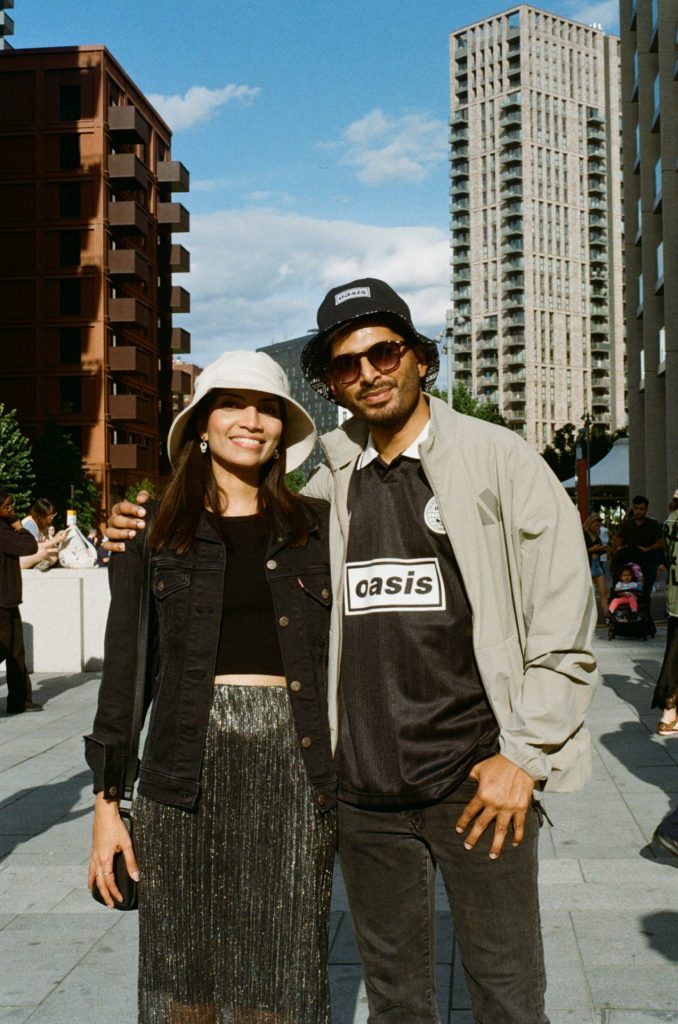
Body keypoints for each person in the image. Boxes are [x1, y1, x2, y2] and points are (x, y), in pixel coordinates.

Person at [107, 279, 598, 1024]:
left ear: (421, 359)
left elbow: (566, 621)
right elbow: (228, 522)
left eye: (384, 351)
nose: (368, 372)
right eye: (345, 364)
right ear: (332, 384)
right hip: (363, 795)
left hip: (477, 782)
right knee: (397, 1001)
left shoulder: (501, 461)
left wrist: (524, 756)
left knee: (507, 994)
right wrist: (134, 519)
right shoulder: (327, 480)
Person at [87, 352, 337, 1024]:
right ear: (202, 425)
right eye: (233, 405)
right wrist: (107, 804)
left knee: (280, 981)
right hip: (180, 772)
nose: (251, 421)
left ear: (283, 432)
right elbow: (125, 676)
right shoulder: (154, 532)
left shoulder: (317, 529)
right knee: (188, 986)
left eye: (268, 410)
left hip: (293, 770)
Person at [0, 488, 44, 713]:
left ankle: (20, 701)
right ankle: (20, 700)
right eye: (7, 506)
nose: (12, 509)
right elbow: (30, 546)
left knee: (16, 652)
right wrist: (18, 525)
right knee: (6, 649)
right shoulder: (3, 530)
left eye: (12, 504)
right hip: (2, 601)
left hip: (8, 599)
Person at [651, 488, 678, 740]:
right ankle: (669, 712)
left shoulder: (670, 521)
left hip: (675, 594)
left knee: (674, 650)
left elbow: (669, 557)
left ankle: (670, 712)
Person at [618, 495, 664, 594]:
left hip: (649, 563)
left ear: (646, 509)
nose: (639, 511)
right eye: (636, 508)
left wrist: (647, 549)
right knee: (631, 592)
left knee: (646, 592)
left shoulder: (653, 524)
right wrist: (620, 549)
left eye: (642, 509)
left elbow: (660, 543)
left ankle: (645, 609)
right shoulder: (627, 524)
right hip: (631, 563)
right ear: (633, 508)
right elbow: (619, 540)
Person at [19, 498, 65, 571]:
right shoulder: (30, 524)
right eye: (49, 515)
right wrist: (55, 540)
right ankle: (37, 565)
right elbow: (32, 547)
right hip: (21, 559)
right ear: (41, 515)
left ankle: (39, 565)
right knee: (43, 552)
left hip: (28, 555)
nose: (51, 517)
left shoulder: (37, 524)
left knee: (54, 555)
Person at [582, 512, 609, 618]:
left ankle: (607, 615)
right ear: (590, 523)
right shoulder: (583, 534)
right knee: (588, 594)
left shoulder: (597, 536)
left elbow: (599, 549)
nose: (597, 527)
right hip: (588, 565)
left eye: (599, 525)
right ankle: (587, 617)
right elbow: (579, 551)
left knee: (603, 591)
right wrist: (591, 550)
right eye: (595, 524)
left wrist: (603, 549)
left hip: (597, 564)